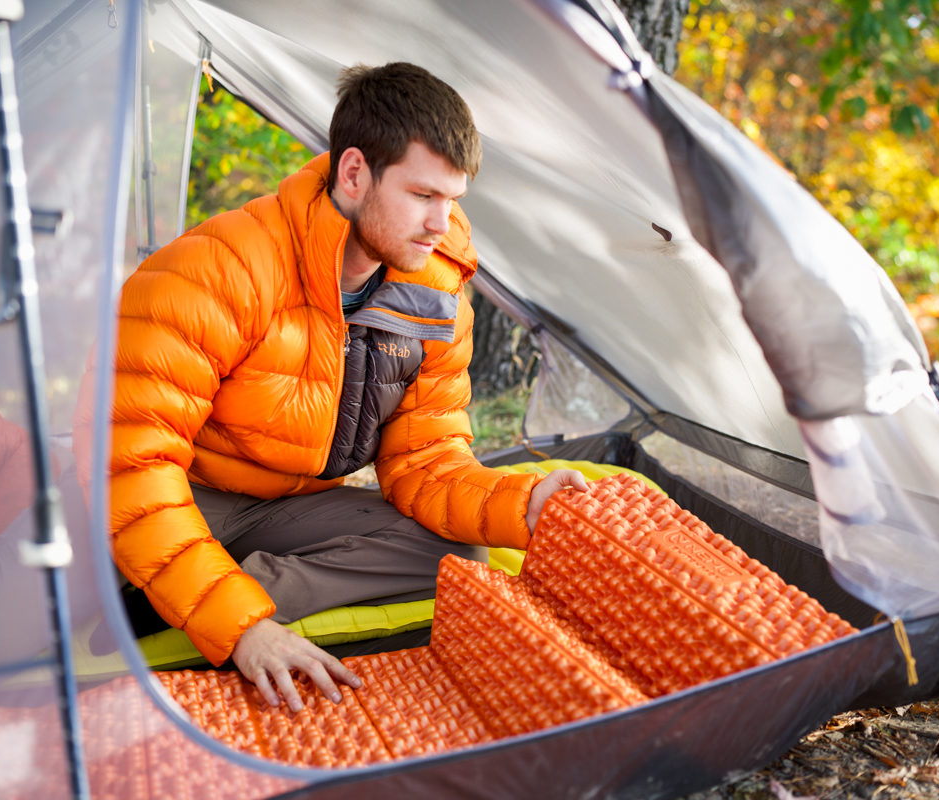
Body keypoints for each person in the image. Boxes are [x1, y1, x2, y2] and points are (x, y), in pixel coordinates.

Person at [96, 62, 587, 712]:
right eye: (422, 195)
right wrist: (242, 632)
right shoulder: (218, 268)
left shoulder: (434, 292)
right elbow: (133, 464)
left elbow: (426, 462)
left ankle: (178, 601)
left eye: (453, 200)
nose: (442, 223)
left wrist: (523, 505)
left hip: (284, 513)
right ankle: (164, 588)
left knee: (456, 553)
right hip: (185, 490)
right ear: (354, 175)